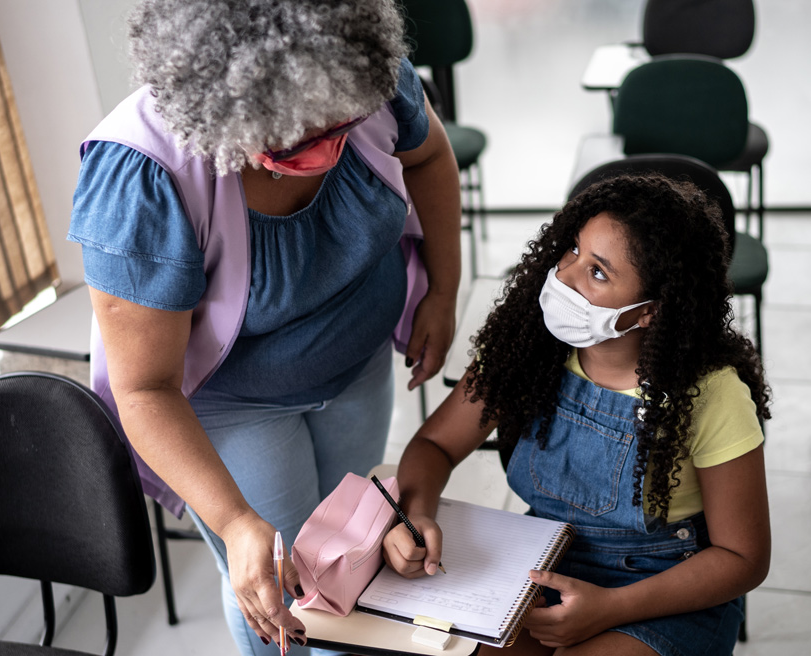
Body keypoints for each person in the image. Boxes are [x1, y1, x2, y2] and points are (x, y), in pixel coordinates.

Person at [66, 1, 461, 654]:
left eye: (336, 123)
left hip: (355, 363)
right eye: (291, 140)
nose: (323, 148)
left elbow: (429, 158)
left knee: (351, 551)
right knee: (277, 579)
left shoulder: (365, 74)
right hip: (230, 402)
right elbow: (145, 388)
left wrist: (442, 290)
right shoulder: (143, 177)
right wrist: (234, 522)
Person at [382, 174, 771, 656]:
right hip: (544, 561)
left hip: (665, 591)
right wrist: (416, 513)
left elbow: (744, 558)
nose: (564, 275)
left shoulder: (712, 394)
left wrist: (610, 606)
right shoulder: (528, 349)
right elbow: (435, 444)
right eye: (573, 250)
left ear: (649, 311)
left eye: (599, 272)